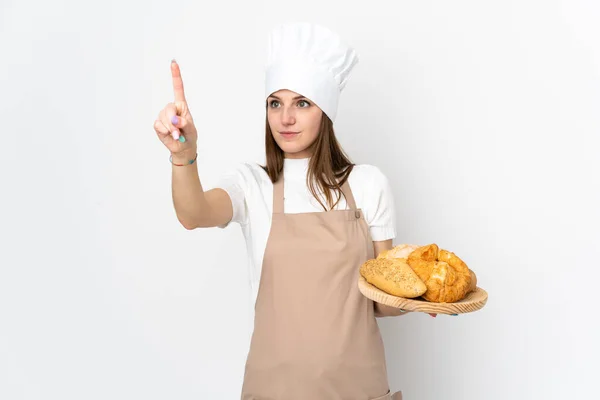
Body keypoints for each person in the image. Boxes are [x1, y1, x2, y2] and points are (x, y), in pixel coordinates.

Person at [153, 22, 416, 400]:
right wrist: (183, 156)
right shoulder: (252, 184)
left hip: (359, 391)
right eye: (275, 103)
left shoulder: (368, 184)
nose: (285, 118)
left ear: (324, 111)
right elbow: (193, 214)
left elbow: (382, 301)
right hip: (273, 391)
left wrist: (419, 299)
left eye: (302, 103)